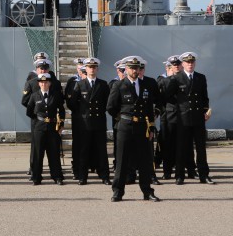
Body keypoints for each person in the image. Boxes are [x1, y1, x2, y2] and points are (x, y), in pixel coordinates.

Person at [107, 56, 160, 202]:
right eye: (131, 68)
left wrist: (151, 127)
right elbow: (111, 107)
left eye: (137, 68)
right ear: (126, 69)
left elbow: (149, 108)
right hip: (125, 126)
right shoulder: (119, 85)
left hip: (142, 127)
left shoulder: (145, 85)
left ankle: (147, 191)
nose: (135, 70)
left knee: (145, 161)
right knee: (122, 161)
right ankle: (118, 192)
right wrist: (122, 118)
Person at [165, 52, 214, 185]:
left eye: (192, 62)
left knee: (201, 148)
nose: (190, 64)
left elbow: (204, 97)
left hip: (198, 117)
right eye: (187, 62)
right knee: (182, 147)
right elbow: (168, 96)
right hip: (183, 117)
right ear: (183, 64)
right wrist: (180, 106)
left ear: (195, 63)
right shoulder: (177, 78)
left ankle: (204, 175)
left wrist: (205, 111)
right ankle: (179, 176)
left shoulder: (200, 77)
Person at [68, 58, 110, 185]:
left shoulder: (103, 84)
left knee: (101, 151)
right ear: (85, 69)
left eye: (94, 67)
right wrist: (82, 114)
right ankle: (82, 176)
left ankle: (105, 176)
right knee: (84, 151)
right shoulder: (80, 84)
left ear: (97, 69)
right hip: (85, 124)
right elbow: (72, 104)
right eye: (90, 67)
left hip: (99, 122)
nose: (92, 69)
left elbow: (108, 102)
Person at [26, 73, 65, 185]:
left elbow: (61, 110)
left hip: (53, 127)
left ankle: (57, 177)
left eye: (46, 82)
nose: (44, 84)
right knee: (38, 153)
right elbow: (29, 112)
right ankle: (36, 177)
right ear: (39, 84)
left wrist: (61, 124)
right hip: (39, 128)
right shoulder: (34, 96)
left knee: (54, 153)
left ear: (49, 83)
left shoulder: (55, 95)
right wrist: (38, 120)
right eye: (42, 82)